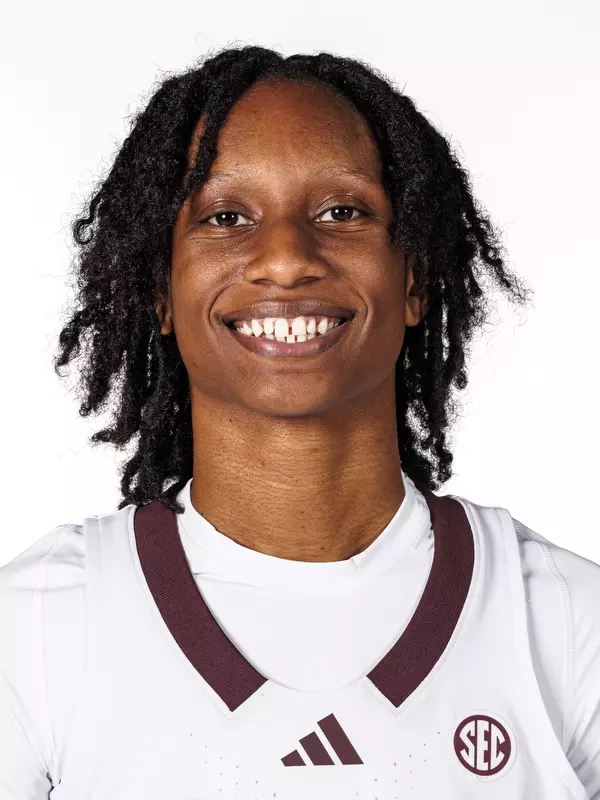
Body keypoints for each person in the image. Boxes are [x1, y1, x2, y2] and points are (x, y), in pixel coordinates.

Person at [0, 44, 598, 799]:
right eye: (226, 216)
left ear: (412, 280)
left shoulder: (563, 618)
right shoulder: (41, 628)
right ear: (161, 290)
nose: (285, 258)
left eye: (341, 212)